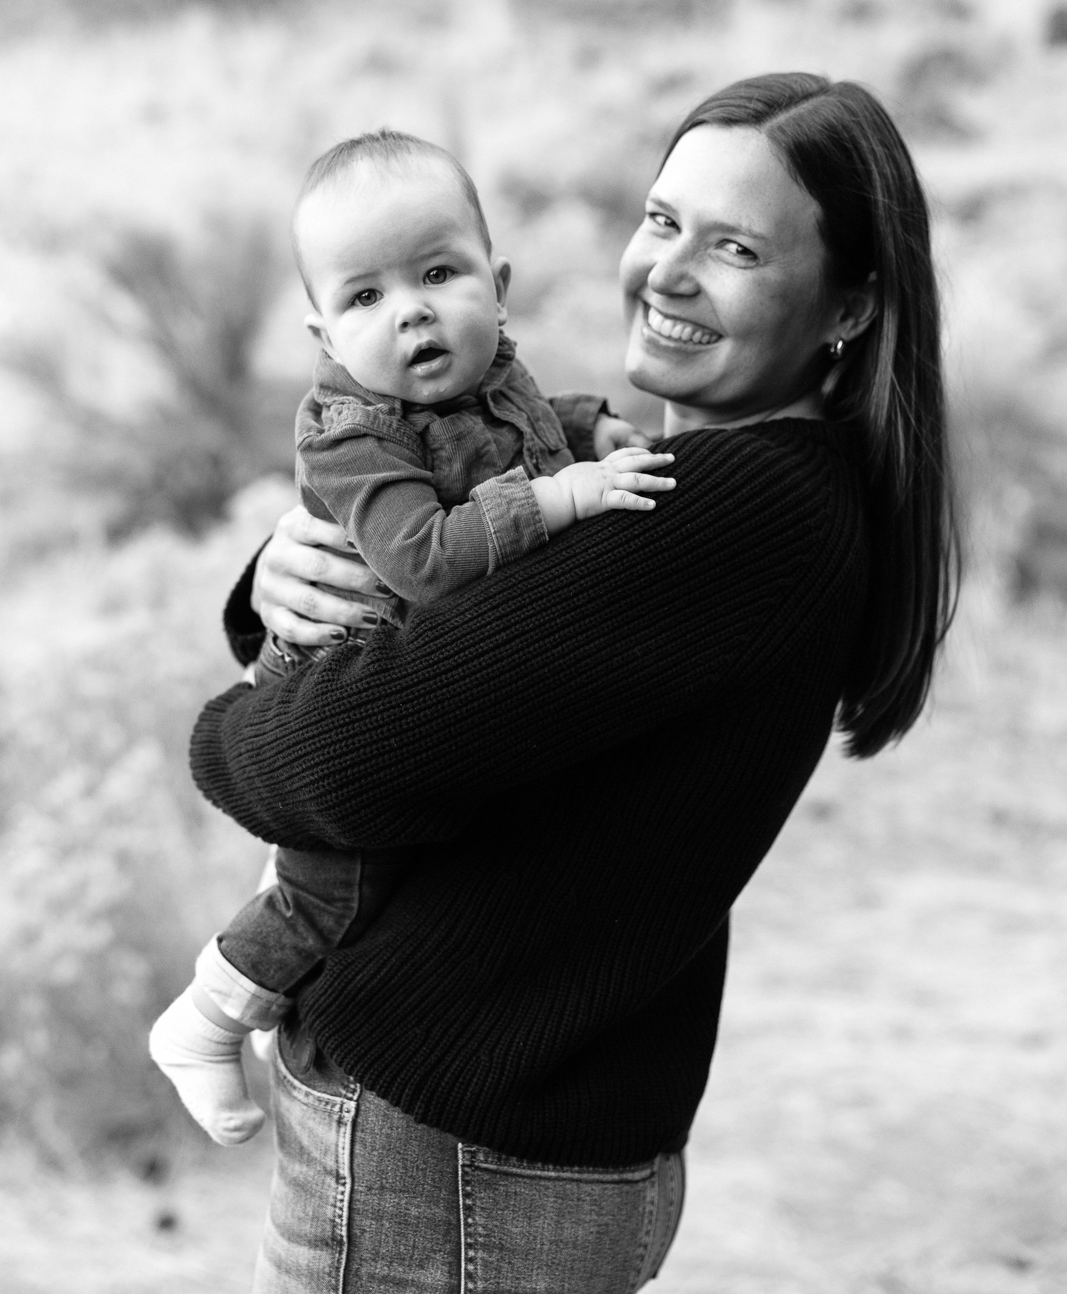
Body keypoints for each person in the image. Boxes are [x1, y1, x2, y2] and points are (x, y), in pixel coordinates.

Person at [190, 74, 960, 1294]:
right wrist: (279, 587)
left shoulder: (733, 510)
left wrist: (225, 729)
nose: (668, 272)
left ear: (848, 305)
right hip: (519, 1141)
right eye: (661, 221)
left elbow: (336, 760)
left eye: (736, 248)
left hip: (450, 1156)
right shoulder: (737, 490)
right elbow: (473, 652)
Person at [150, 129, 673, 1146]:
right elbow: (424, 558)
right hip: (337, 684)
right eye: (365, 296)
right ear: (323, 332)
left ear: (497, 287)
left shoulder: (484, 373)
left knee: (322, 874)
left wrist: (587, 428)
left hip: (406, 686)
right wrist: (564, 495)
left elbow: (513, 430)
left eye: (438, 274)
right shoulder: (349, 434)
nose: (411, 311)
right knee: (333, 892)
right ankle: (205, 1018)